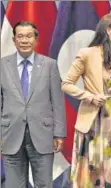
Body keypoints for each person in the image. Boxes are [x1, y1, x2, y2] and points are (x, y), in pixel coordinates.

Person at [61, 13, 111, 188]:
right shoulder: (86, 54)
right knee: (92, 168)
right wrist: (90, 97)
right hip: (94, 119)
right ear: (109, 30)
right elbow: (66, 84)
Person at [1, 21, 66, 188]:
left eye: (29, 36)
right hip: (10, 134)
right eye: (20, 37)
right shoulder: (2, 66)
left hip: (43, 134)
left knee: (44, 184)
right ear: (14, 40)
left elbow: (57, 101)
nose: (24, 40)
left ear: (36, 39)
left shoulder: (49, 65)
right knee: (14, 185)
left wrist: (59, 133)